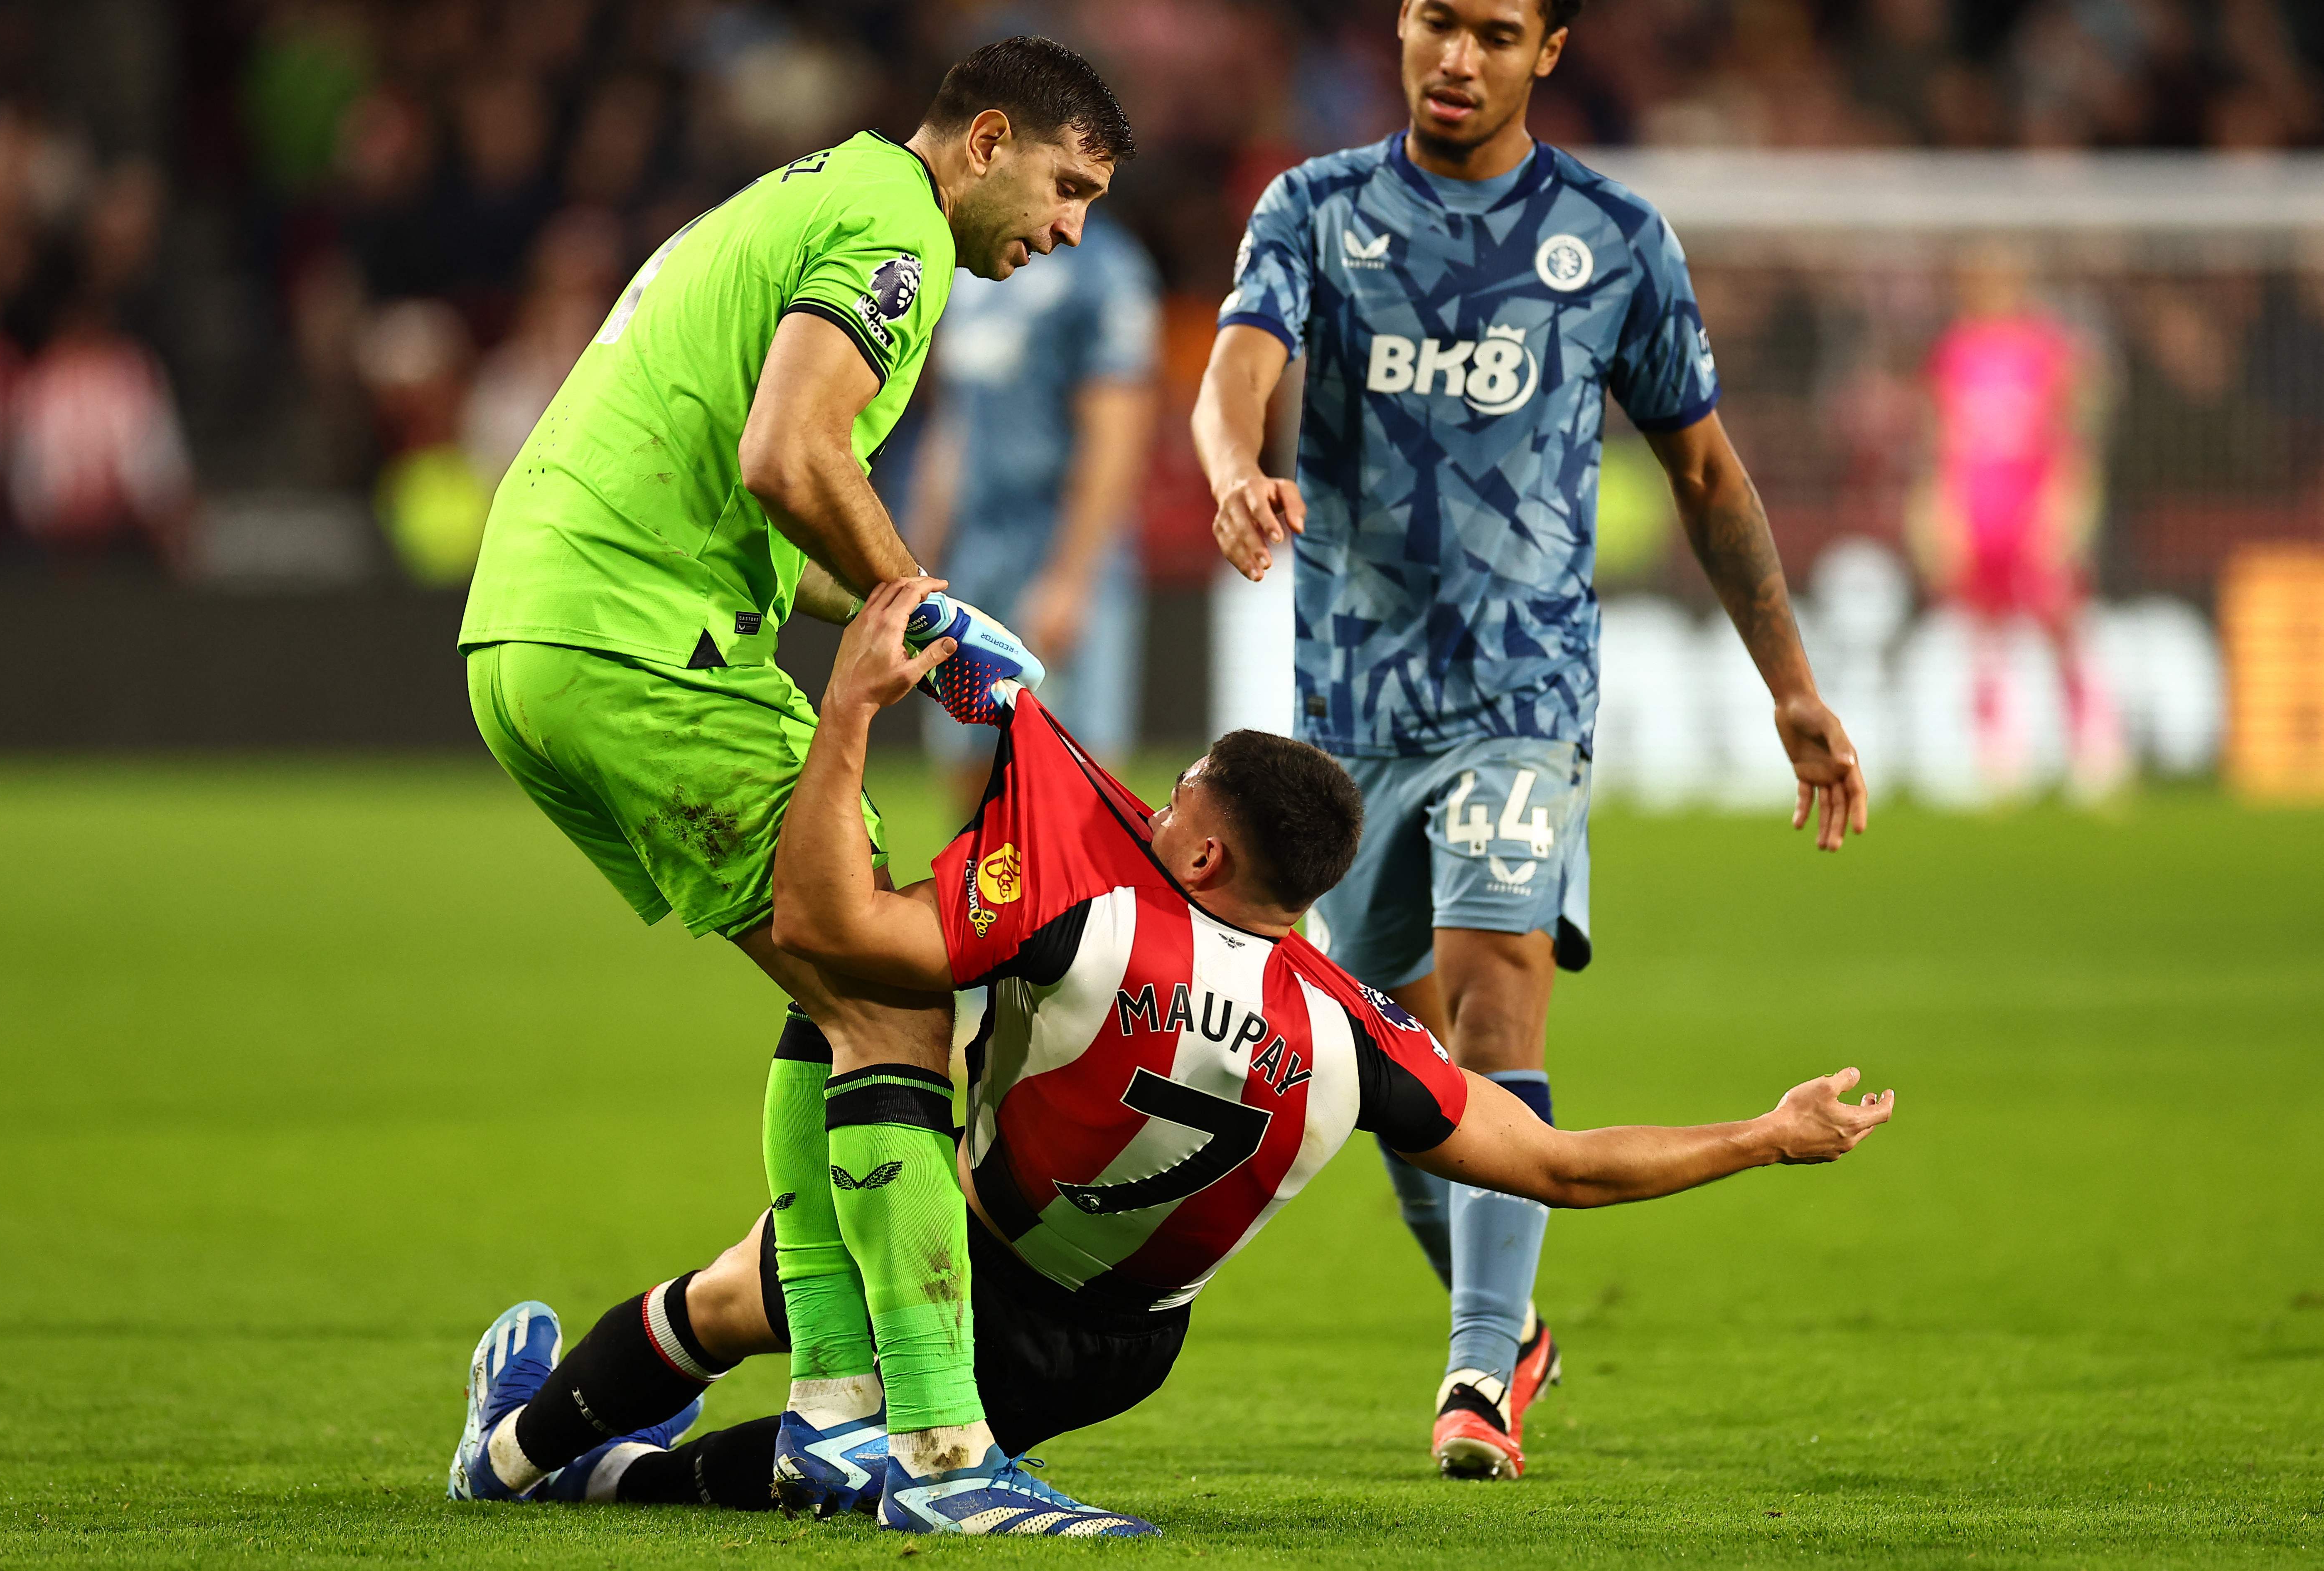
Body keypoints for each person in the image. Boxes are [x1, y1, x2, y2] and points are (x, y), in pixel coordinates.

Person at [446, 579, 1895, 1535]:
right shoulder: (1357, 1030)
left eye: (1175, 802)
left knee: (775, 1219)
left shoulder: (1087, 923)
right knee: (819, 1469)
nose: (1151, 811)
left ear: (1201, 847)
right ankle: (636, 1477)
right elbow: (1562, 1170)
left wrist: (851, 709)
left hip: (965, 1252)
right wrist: (1765, 1136)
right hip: (1117, 1352)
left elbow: (831, 927)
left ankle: (516, 1454)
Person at [447, 37, 1146, 1536]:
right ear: (988, 140)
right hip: (641, 640)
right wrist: (926, 604)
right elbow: (788, 451)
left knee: (843, 977)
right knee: (900, 990)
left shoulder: (810, 195)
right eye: (1068, 186)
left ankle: (828, 1408)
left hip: (535, 631)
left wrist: (910, 605)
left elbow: (753, 488)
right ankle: (943, 1450)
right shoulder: (900, 228)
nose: (1073, 227)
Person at [1190, 0, 1871, 1481]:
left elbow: (1704, 468)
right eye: (1438, 21)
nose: (1457, 57)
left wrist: (1793, 684)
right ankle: (1513, 1327)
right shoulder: (1315, 208)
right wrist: (1234, 468)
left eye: (1496, 32)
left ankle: (1477, 1378)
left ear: (1549, 51)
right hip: (1351, 716)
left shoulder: (1616, 240)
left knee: (1496, 1006)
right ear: (1402, 24)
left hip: (1525, 699)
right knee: (1386, 1065)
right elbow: (1235, 367)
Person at [906, 207, 1162, 802]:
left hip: (1055, 541)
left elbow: (1115, 433)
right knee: (967, 761)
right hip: (974, 550)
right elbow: (952, 424)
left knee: (1072, 769)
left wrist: (1072, 578)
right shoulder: (969, 268)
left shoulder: (1107, 269)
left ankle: (1077, 901)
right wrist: (914, 563)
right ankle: (983, 899)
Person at [1913, 246, 2122, 800]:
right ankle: (1997, 756)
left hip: (2033, 509)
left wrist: (2066, 504)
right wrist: (1941, 510)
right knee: (1982, 636)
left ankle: (2095, 748)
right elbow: (1942, 443)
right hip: (1978, 510)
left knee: (2062, 626)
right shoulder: (1953, 351)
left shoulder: (2048, 349)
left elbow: (2071, 437)